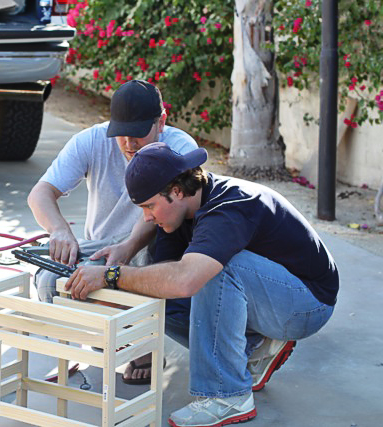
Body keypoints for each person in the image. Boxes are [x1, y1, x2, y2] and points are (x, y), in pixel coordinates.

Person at [65, 143, 338, 427]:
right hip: (268, 297)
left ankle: (227, 396)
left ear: (177, 191)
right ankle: (255, 344)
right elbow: (164, 284)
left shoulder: (229, 207)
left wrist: (113, 276)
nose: (146, 217)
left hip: (308, 304)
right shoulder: (179, 215)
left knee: (212, 269)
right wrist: (113, 294)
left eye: (149, 206)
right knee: (160, 289)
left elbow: (186, 280)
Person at [28, 80, 198, 384]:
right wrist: (60, 230)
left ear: (161, 122)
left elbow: (175, 214)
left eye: (137, 135)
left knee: (155, 270)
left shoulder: (182, 147)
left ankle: (142, 346)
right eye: (121, 134)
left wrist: (129, 248)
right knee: (49, 278)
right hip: (101, 246)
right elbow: (40, 194)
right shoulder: (91, 140)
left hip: (156, 244)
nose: (129, 144)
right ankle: (89, 340)